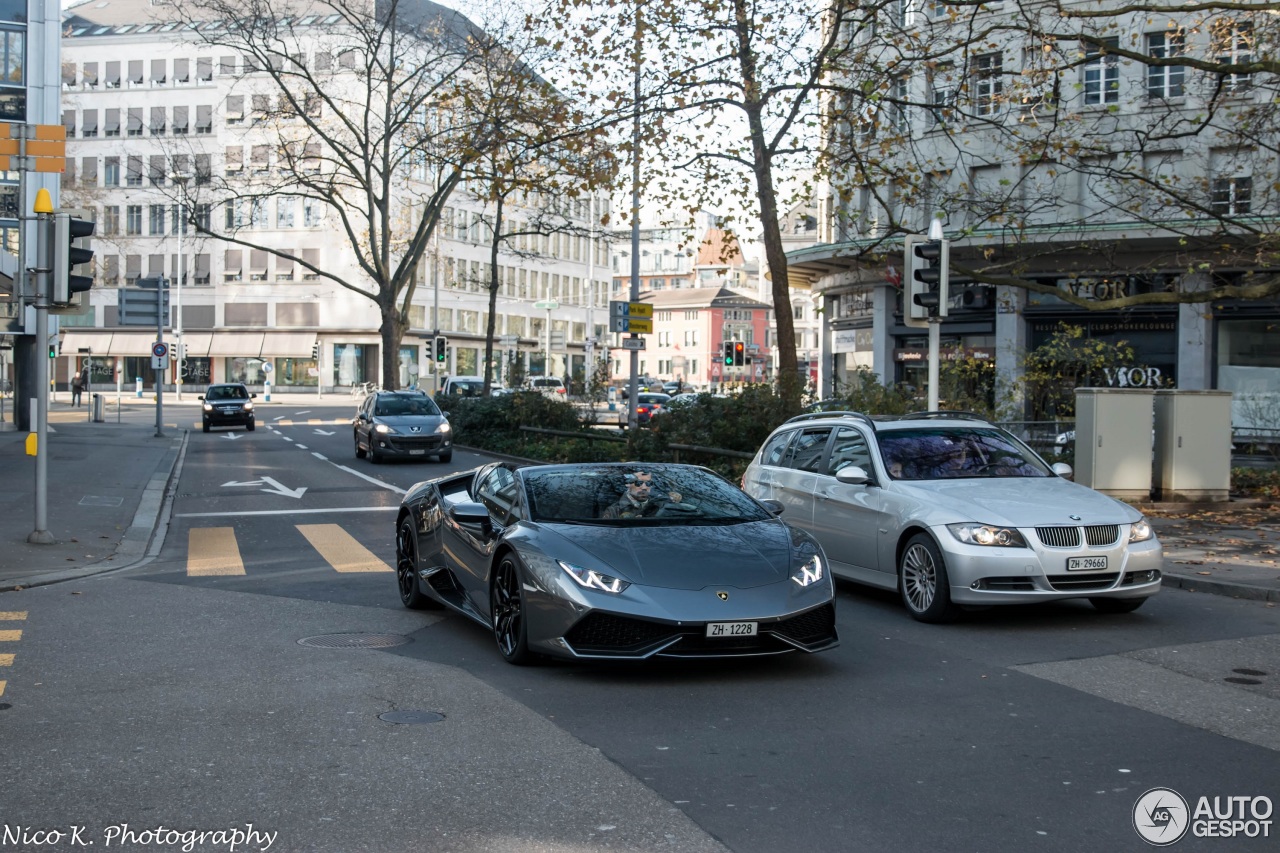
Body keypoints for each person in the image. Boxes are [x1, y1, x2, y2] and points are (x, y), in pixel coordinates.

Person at [601, 470, 683, 519]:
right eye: (638, 483)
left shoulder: (660, 506)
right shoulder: (614, 510)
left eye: (649, 483)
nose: (644, 487)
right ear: (628, 484)